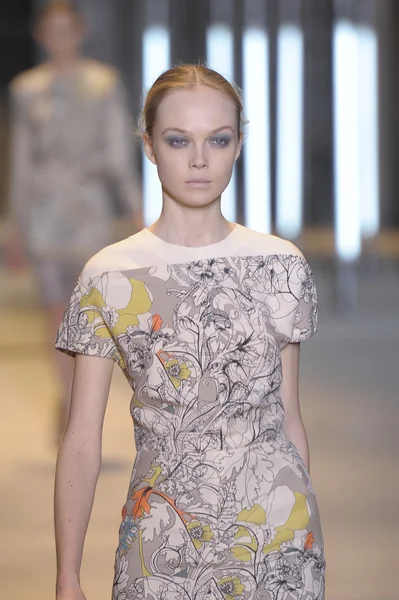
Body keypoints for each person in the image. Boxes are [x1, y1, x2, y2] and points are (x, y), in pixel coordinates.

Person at [54, 64, 325, 600]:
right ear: (150, 146)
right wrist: (67, 576)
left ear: (239, 144)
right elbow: (82, 439)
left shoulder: (280, 265)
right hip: (162, 541)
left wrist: (304, 544)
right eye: (179, 141)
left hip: (277, 539)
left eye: (217, 140)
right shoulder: (109, 275)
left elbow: (288, 419)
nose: (200, 160)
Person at [7, 0, 142, 443]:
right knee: (52, 311)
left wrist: (135, 206)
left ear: (80, 31)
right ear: (40, 35)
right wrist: (14, 225)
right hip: (45, 214)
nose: (61, 37)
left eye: (68, 28)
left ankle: (81, 403)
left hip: (89, 212)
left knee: (87, 314)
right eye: (53, 29)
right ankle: (68, 399)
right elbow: (21, 159)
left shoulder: (104, 84)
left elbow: (118, 154)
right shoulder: (26, 89)